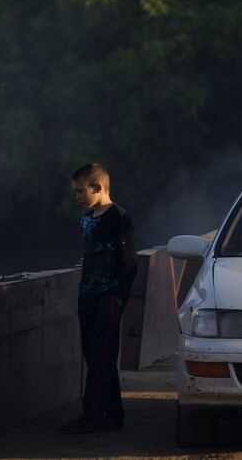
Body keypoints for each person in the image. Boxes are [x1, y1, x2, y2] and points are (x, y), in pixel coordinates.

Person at [62, 162, 137, 434]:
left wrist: (120, 295)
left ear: (98, 187)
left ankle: (92, 415)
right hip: (88, 295)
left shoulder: (119, 217)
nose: (78, 197)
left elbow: (129, 261)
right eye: (76, 192)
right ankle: (113, 414)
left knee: (101, 355)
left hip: (109, 297)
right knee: (94, 357)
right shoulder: (86, 219)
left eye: (81, 191)